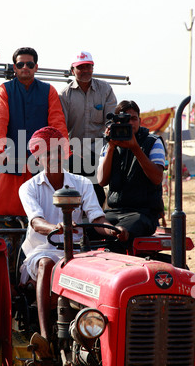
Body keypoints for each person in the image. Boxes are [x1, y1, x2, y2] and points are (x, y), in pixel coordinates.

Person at [18, 126, 128, 350]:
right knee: (47, 263)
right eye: (47, 154)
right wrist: (55, 227)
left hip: (77, 252)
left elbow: (97, 219)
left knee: (105, 267)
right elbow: (36, 222)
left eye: (58, 152)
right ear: (38, 158)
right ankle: (45, 338)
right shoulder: (28, 188)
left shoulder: (82, 184)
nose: (54, 158)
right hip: (43, 249)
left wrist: (113, 230)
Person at [0, 47, 68, 216]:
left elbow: (57, 124)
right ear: (14, 67)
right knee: (5, 210)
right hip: (12, 157)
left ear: (36, 67)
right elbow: (0, 123)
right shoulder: (3, 90)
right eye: (21, 64)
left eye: (29, 64)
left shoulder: (49, 90)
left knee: (44, 209)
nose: (25, 67)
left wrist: (64, 151)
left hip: (42, 159)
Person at [97, 100, 166, 251]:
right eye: (124, 120)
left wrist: (135, 148)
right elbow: (102, 181)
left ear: (140, 121)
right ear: (114, 123)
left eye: (133, 119)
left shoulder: (153, 142)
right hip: (113, 212)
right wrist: (111, 147)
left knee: (119, 233)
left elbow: (157, 178)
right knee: (87, 227)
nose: (129, 123)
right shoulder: (109, 144)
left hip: (143, 213)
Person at [58, 51, 117, 207]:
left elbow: (111, 121)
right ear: (72, 70)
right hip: (74, 153)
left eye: (88, 66)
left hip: (99, 151)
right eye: (80, 67)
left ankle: (96, 225)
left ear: (93, 68)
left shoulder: (105, 90)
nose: (85, 70)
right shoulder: (64, 95)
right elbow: (61, 126)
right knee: (75, 195)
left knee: (97, 195)